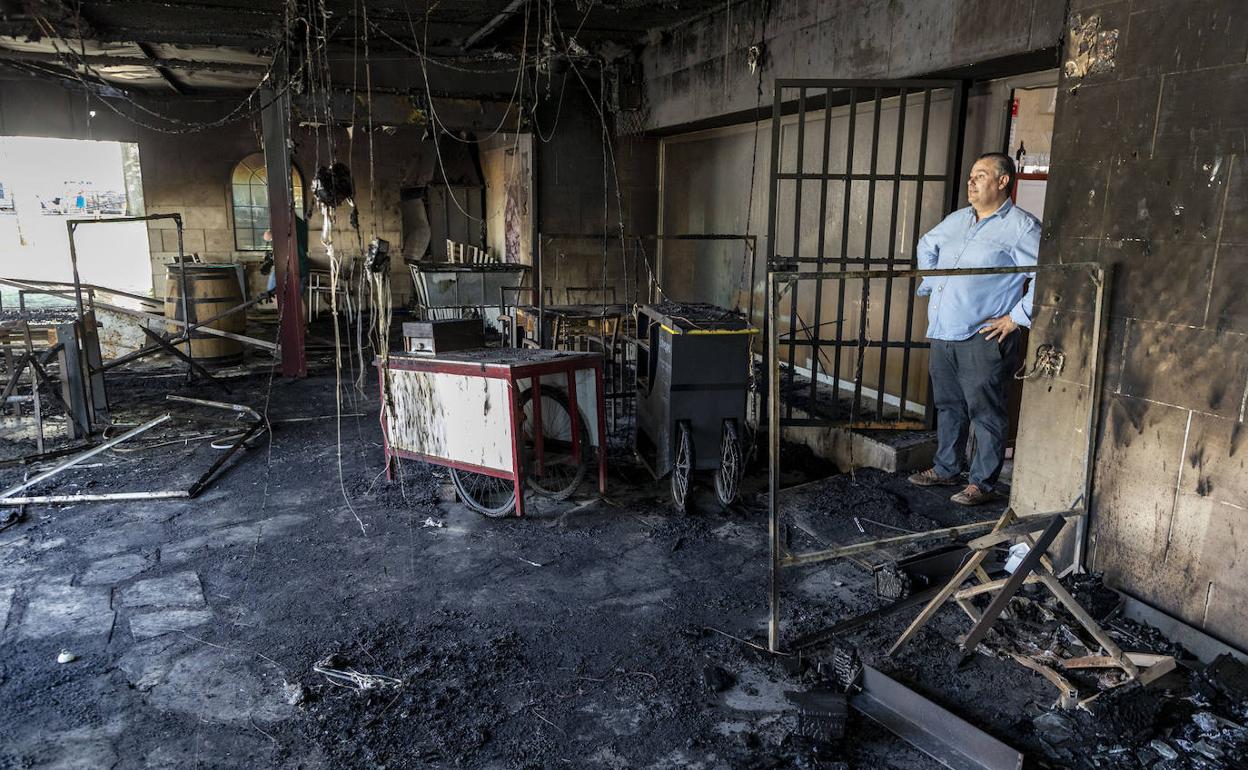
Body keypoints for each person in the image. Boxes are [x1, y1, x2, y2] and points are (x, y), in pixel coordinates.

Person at [906, 152, 1039, 505]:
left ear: (1003, 181)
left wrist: (1016, 318)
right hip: (944, 331)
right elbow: (926, 244)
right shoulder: (957, 220)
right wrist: (932, 285)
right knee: (949, 405)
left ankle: (982, 483)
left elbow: (1048, 273)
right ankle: (947, 468)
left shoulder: (1021, 228)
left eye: (980, 175)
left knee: (986, 410)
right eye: (971, 175)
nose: (971, 181)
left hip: (983, 336)